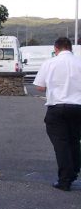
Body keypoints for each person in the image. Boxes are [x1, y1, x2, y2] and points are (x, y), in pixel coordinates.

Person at [33, 36, 81, 191]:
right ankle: (74, 172)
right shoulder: (79, 62)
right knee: (74, 141)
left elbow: (39, 87)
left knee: (61, 144)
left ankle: (65, 180)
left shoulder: (50, 63)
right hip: (78, 108)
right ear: (71, 48)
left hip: (57, 108)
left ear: (56, 48)